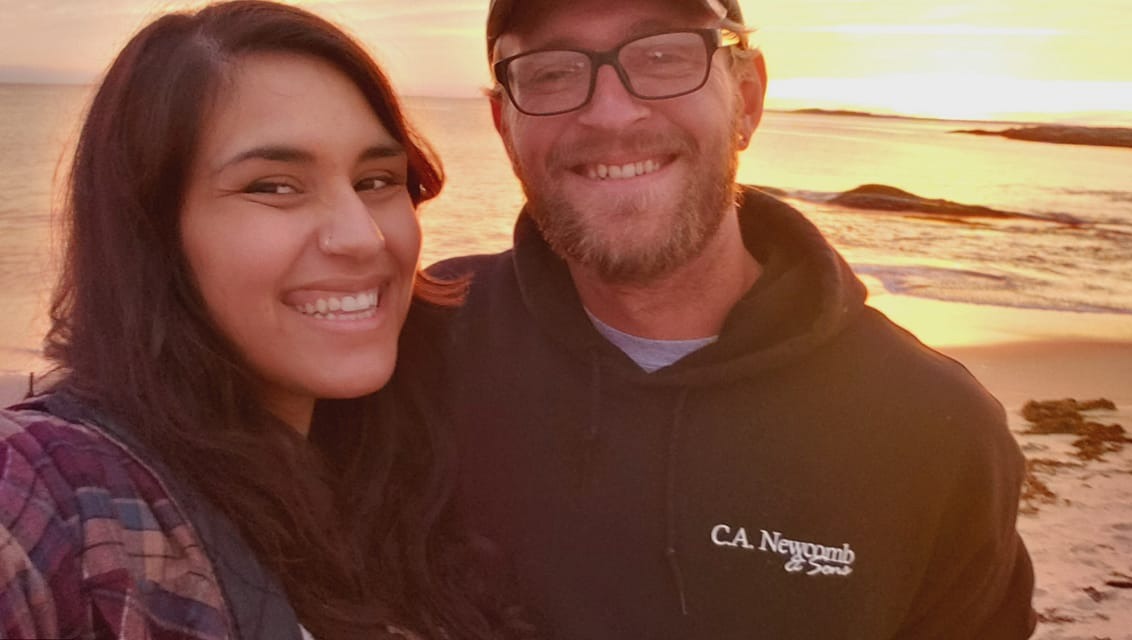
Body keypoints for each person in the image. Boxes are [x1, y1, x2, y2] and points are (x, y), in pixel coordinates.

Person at [402, 0, 1038, 637]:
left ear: (748, 99)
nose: (610, 113)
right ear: (504, 126)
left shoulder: (934, 428)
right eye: (550, 72)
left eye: (662, 56)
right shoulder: (420, 346)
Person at [0, 2, 505, 638]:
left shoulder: (404, 477)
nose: (363, 237)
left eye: (377, 179)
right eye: (274, 186)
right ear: (151, 230)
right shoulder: (57, 494)